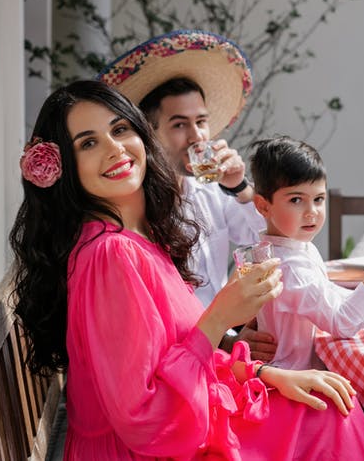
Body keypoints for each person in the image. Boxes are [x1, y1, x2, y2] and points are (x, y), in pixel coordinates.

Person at [9, 80, 364, 460]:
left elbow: (175, 354)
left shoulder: (141, 236)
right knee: (333, 414)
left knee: (327, 402)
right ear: (67, 167)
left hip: (183, 419)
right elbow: (144, 417)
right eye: (89, 143)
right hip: (149, 447)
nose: (115, 148)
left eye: (120, 129)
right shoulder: (110, 254)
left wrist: (265, 375)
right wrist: (221, 315)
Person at [99, 30, 272, 356]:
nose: (197, 137)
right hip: (189, 357)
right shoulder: (135, 211)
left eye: (201, 122)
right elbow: (159, 323)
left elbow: (265, 237)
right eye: (179, 125)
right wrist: (229, 342)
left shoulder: (210, 189)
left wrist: (239, 185)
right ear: (146, 134)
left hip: (225, 341)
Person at [249, 137, 364, 370]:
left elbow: (323, 289)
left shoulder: (291, 248)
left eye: (318, 199)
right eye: (296, 200)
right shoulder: (289, 268)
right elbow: (344, 324)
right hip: (295, 380)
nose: (312, 212)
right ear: (263, 206)